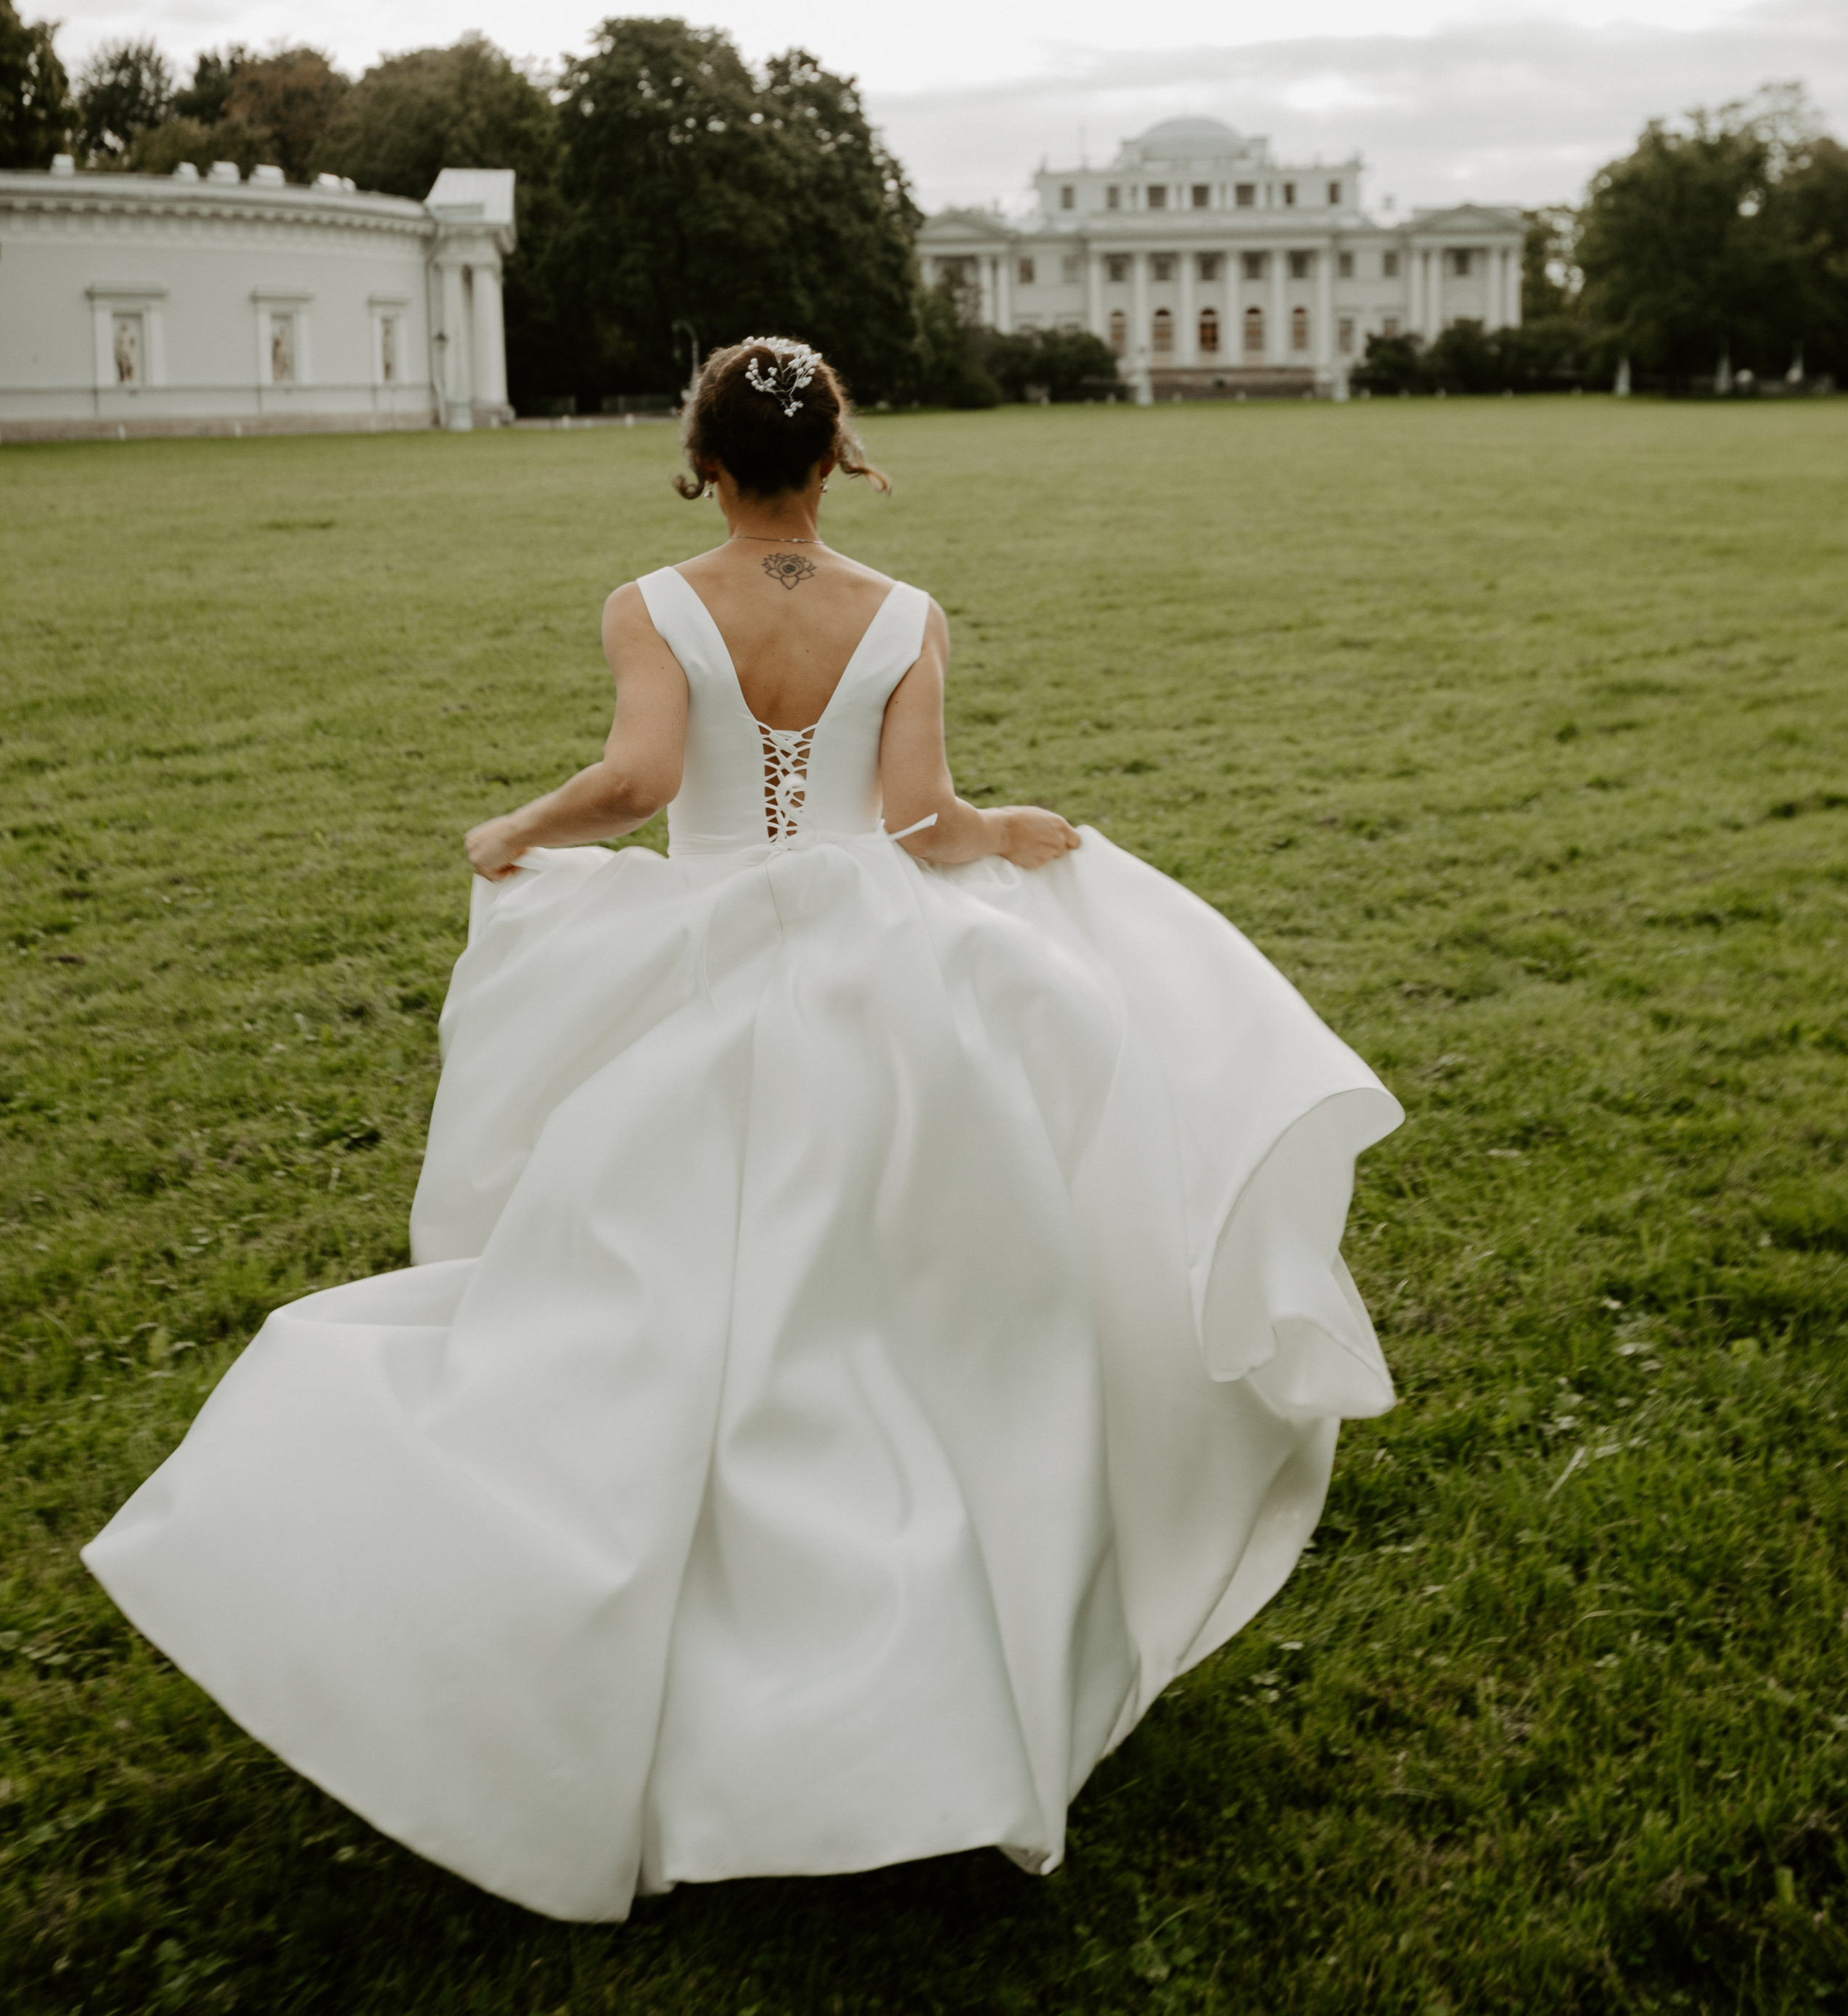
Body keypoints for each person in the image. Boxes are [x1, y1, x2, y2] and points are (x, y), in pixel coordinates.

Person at [84, 335, 1401, 1924]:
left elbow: (644, 779)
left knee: (656, 1305)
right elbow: (918, 824)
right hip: (877, 982)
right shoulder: (902, 614)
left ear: (701, 458)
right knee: (890, 1317)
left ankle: (652, 1676)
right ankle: (907, 1699)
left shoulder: (652, 601)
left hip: (705, 963)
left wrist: (516, 828)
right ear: (834, 455)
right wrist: (1014, 834)